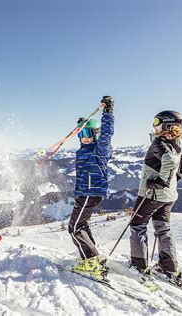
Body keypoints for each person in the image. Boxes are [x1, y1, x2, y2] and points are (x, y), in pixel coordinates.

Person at [130, 110, 182, 284]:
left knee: (137, 225)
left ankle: (138, 266)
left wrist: (161, 181)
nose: (154, 124)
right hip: (169, 196)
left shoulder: (160, 142)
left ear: (167, 125)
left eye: (157, 121)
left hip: (151, 194)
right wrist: (173, 179)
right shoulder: (178, 142)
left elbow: (170, 161)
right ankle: (169, 267)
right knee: (163, 228)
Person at [68, 96, 114, 280]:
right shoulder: (84, 149)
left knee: (74, 228)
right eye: (80, 134)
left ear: (95, 134)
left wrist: (108, 112)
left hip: (91, 192)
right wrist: (82, 124)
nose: (84, 138)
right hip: (85, 193)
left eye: (87, 133)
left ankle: (91, 261)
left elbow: (107, 134)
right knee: (82, 225)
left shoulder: (100, 149)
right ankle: (92, 257)